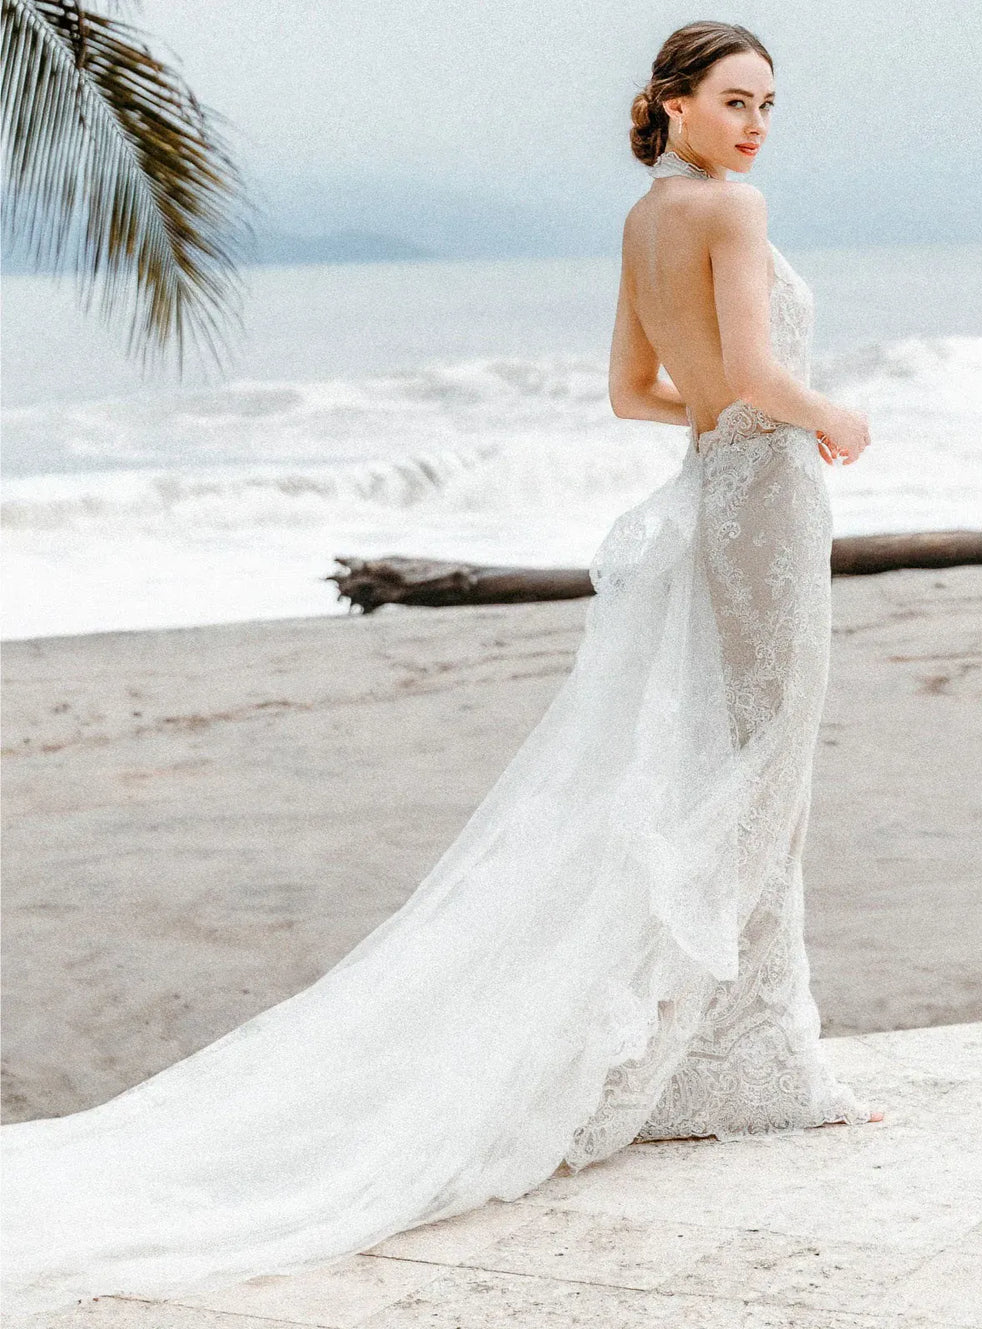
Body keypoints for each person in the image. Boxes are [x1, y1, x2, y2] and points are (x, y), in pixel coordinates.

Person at [1, 20, 884, 1320]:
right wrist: (830, 413)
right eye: (736, 100)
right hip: (764, 498)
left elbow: (632, 390)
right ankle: (750, 1063)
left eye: (769, 105)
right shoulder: (732, 209)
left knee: (732, 762)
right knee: (764, 767)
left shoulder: (650, 218)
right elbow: (755, 371)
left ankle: (735, 1054)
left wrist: (734, 416)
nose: (756, 126)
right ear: (677, 105)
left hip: (712, 486)